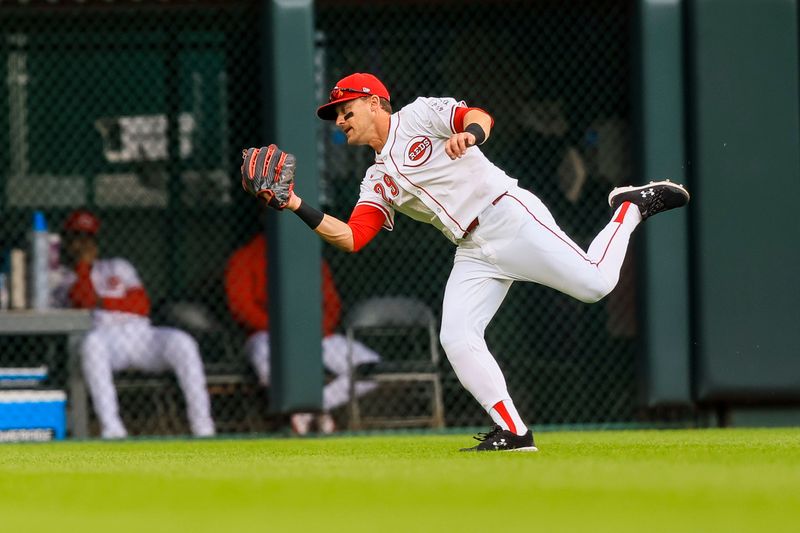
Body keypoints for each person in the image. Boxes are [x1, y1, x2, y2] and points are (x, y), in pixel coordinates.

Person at [243, 72, 690, 452]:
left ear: (375, 102)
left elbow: (479, 117)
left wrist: (468, 136)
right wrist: (293, 202)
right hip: (473, 249)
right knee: (456, 336)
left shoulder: (417, 115)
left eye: (346, 110)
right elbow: (352, 237)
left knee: (595, 285)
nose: (340, 121)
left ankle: (628, 208)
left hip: (507, 215)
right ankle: (514, 431)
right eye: (336, 116)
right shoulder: (375, 179)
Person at [53, 209, 215, 439]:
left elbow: (141, 305)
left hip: (142, 335)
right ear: (66, 241)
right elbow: (82, 299)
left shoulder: (118, 266)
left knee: (183, 342)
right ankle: (113, 429)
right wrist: (83, 269)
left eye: (87, 237)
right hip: (107, 341)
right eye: (76, 237)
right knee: (91, 344)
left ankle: (203, 428)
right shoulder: (64, 277)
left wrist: (103, 301)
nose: (82, 244)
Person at [223, 232, 380, 435]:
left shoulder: (310, 257)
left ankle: (313, 408)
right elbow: (240, 306)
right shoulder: (245, 256)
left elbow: (331, 304)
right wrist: (282, 330)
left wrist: (316, 331)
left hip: (315, 336)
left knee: (370, 366)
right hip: (266, 335)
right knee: (265, 363)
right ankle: (309, 411)